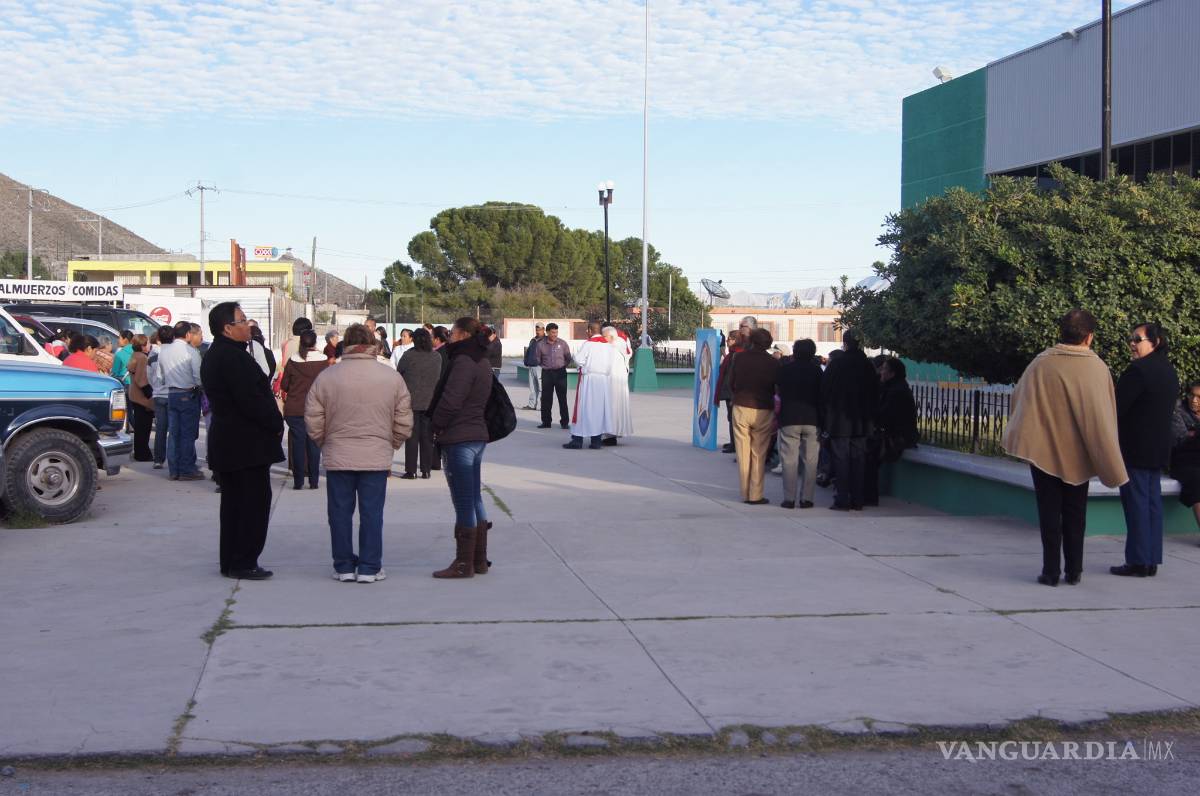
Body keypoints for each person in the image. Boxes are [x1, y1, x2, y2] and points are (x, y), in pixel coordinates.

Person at [1002, 309, 1128, 586]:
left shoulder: (1041, 363)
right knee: (1076, 513)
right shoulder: (1097, 367)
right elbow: (1104, 414)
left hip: (1043, 450)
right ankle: (1074, 570)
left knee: (1049, 513)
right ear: (1089, 337)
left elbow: (1019, 399)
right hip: (1079, 454)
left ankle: (1050, 572)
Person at [306, 323, 413, 584]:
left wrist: (325, 443)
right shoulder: (390, 377)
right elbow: (403, 419)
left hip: (338, 453)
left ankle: (343, 566)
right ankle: (369, 567)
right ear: (372, 343)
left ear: (346, 344)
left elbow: (313, 418)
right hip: (376, 455)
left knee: (339, 514)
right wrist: (391, 444)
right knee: (372, 514)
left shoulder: (328, 376)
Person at [202, 301, 284, 581]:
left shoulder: (221, 354)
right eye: (242, 320)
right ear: (227, 328)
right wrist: (274, 423)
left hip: (232, 442)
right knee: (251, 504)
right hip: (245, 445)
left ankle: (232, 560)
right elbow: (251, 401)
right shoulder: (231, 357)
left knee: (235, 505)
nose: (248, 325)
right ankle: (244, 561)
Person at [1112, 323, 1179, 578]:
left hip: (1136, 447)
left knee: (1137, 504)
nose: (1132, 343)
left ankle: (1139, 561)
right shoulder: (1169, 371)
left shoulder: (1138, 371)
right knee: (1152, 504)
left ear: (1156, 342)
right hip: (1158, 447)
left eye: (1137, 339)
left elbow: (1117, 407)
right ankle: (1150, 559)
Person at [430, 317, 495, 579]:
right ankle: (478, 560)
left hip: (460, 436)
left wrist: (436, 424)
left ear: (463, 334)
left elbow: (451, 399)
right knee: (474, 497)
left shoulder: (464, 361)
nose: (450, 337)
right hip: (475, 433)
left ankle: (463, 563)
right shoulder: (482, 359)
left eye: (453, 333)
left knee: (464, 501)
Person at [822, 330, 878, 511]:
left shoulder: (837, 364)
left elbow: (825, 390)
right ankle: (857, 499)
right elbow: (875, 392)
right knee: (859, 459)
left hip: (839, 421)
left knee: (841, 460)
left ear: (845, 343)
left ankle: (842, 498)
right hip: (862, 422)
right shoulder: (867, 365)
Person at [729, 328, 779, 505]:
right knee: (759, 452)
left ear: (751, 341)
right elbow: (776, 387)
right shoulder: (773, 363)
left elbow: (732, 382)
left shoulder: (739, 358)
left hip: (741, 406)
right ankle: (755, 494)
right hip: (763, 409)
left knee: (742, 451)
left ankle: (744, 492)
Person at [864, 357, 919, 506]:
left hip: (898, 436)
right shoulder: (892, 387)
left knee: (868, 455)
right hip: (894, 433)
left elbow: (885, 416)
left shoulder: (896, 391)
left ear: (892, 373)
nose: (881, 372)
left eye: (884, 369)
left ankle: (869, 496)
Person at [279, 329, 330, 490]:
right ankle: (313, 481)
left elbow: (284, 385)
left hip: (295, 408)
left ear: (300, 342)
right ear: (315, 342)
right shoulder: (323, 361)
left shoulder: (293, 361)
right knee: (314, 446)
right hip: (316, 409)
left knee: (298, 445)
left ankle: (298, 481)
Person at [776, 339, 823, 509]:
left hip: (789, 418)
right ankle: (807, 498)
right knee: (811, 460)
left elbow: (778, 391)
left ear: (794, 352)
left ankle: (789, 498)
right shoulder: (817, 371)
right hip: (812, 419)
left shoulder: (785, 370)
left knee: (789, 460)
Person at [159, 320, 205, 481]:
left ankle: (174, 469)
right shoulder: (190, 351)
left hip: (172, 394)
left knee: (174, 433)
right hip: (188, 393)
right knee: (187, 434)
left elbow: (160, 377)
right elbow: (198, 377)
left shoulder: (164, 351)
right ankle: (186, 469)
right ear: (187, 334)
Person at [398, 327, 442, 479]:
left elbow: (399, 373)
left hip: (411, 401)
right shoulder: (436, 357)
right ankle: (426, 469)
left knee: (411, 437)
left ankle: (411, 471)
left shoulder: (408, 355)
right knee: (427, 437)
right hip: (430, 402)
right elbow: (438, 378)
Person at [565, 323, 616, 449]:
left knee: (583, 409)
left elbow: (579, 359)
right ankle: (596, 441)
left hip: (589, 380)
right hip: (603, 381)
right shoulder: (609, 346)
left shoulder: (588, 344)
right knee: (599, 410)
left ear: (590, 330)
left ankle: (577, 440)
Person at [1169, 382, 1200, 533]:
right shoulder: (1178, 410)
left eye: (1199, 397)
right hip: (1184, 461)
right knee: (1197, 480)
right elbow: (1181, 440)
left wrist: (1194, 433)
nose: (1194, 400)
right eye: (1191, 395)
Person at [537, 322, 573, 429]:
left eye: (556, 332)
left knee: (562, 398)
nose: (555, 334)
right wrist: (546, 366)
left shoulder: (563, 343)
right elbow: (538, 359)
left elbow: (568, 358)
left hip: (560, 373)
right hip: (547, 374)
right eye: (552, 332)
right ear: (547, 332)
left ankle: (565, 422)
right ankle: (546, 422)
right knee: (546, 399)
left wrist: (562, 366)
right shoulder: (541, 344)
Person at [126, 334, 155, 461]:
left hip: (134, 395)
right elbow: (141, 379)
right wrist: (150, 394)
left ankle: (139, 452)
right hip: (142, 397)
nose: (149, 345)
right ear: (142, 346)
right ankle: (143, 454)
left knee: (139, 427)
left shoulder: (134, 355)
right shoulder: (143, 358)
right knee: (144, 427)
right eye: (147, 343)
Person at [148, 325, 173, 470]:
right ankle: (173, 459)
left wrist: (156, 388)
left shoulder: (152, 357)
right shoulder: (174, 354)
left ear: (158, 338)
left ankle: (158, 460)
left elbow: (149, 377)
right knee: (174, 430)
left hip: (158, 395)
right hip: (171, 394)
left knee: (160, 429)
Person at [603, 325, 633, 443]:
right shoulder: (623, 343)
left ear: (611, 336)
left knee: (611, 407)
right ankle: (615, 432)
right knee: (618, 407)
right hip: (621, 380)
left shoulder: (612, 348)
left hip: (612, 381)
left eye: (604, 336)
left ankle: (610, 434)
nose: (603, 338)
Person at [522, 323, 545, 411]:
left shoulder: (545, 340)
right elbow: (528, 351)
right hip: (531, 367)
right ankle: (532, 405)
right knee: (532, 388)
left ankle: (543, 406)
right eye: (537, 330)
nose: (538, 331)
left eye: (540, 330)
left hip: (540, 367)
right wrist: (526, 361)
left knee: (541, 388)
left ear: (543, 330)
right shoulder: (533, 340)